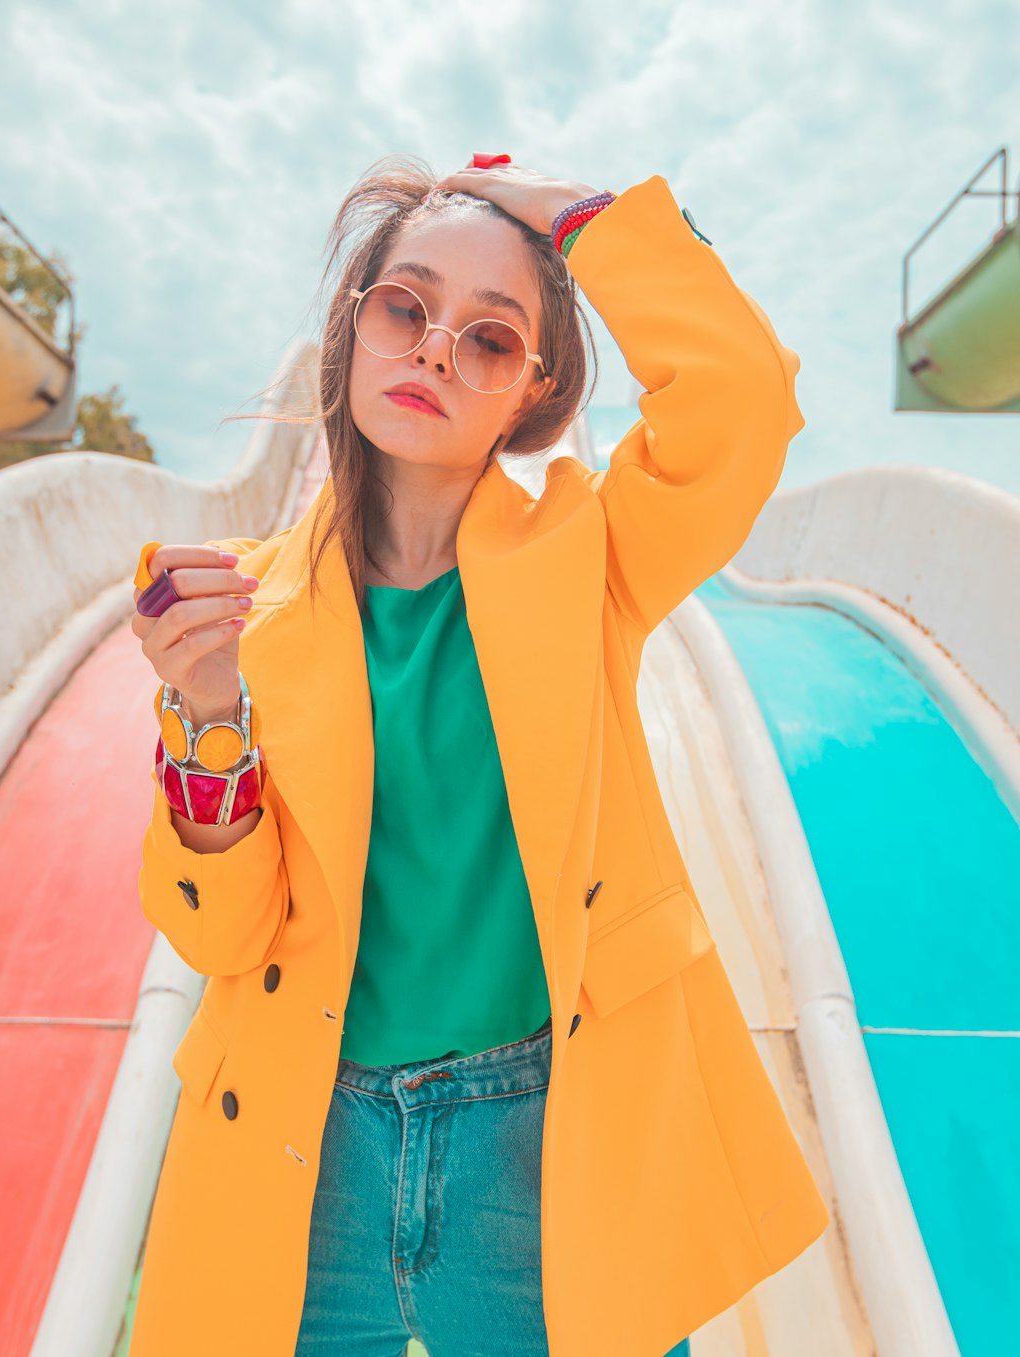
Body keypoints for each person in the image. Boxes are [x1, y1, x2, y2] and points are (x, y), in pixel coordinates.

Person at [127, 154, 829, 1357]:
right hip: (308, 1147)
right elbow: (221, 935)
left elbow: (742, 401)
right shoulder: (239, 606)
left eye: (490, 339)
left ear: (531, 393)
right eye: (406, 307)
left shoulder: (588, 553)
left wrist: (572, 214)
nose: (436, 352)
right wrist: (207, 706)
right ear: (353, 324)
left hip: (542, 1148)